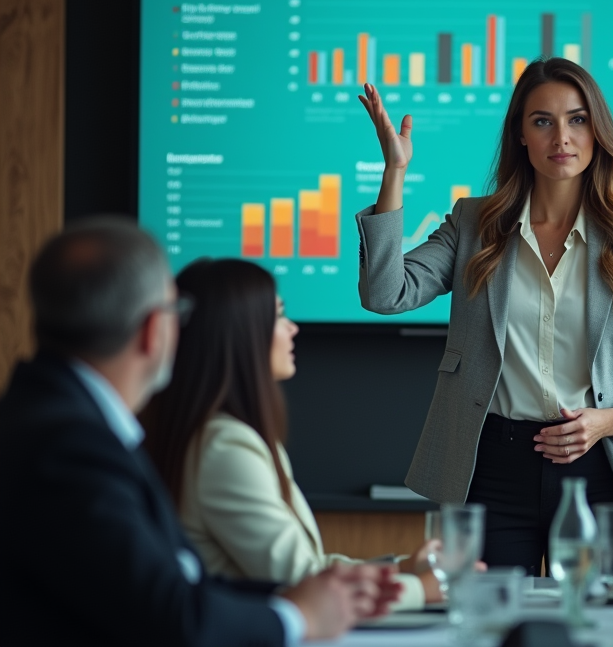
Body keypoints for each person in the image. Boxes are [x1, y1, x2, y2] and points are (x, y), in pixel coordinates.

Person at [356, 58, 613, 573]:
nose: (562, 136)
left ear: (597, 130)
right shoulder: (475, 223)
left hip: (600, 472)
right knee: (487, 624)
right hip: (490, 469)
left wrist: (611, 421)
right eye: (543, 121)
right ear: (521, 134)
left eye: (577, 119)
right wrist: (395, 173)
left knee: (592, 629)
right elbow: (386, 293)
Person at [0, 218, 398, 646]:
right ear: (155, 329)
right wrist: (297, 616)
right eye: (178, 312)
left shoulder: (60, 420)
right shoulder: (70, 448)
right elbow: (168, 615)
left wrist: (301, 598)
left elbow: (174, 585)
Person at [140, 257, 442, 609]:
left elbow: (306, 569)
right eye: (280, 315)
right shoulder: (225, 448)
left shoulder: (221, 435)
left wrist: (402, 567)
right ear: (241, 333)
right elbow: (305, 581)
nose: (292, 328)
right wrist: (421, 590)